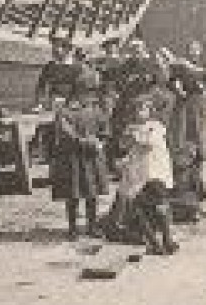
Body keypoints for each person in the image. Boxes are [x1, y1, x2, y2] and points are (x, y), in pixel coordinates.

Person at [49, 66, 109, 239]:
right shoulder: (65, 110)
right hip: (72, 157)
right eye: (84, 92)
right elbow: (65, 130)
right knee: (73, 194)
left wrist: (100, 142)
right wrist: (83, 141)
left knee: (92, 192)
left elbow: (104, 129)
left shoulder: (96, 109)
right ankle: (73, 227)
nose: (89, 96)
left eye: (91, 92)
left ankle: (91, 226)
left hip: (92, 157)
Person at [115, 93, 177, 255]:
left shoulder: (156, 126)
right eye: (136, 109)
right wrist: (126, 152)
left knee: (160, 205)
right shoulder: (130, 128)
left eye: (143, 109)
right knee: (137, 208)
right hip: (136, 172)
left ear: (150, 111)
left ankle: (167, 239)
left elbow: (148, 143)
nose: (138, 112)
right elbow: (123, 145)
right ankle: (153, 242)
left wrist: (133, 138)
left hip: (154, 171)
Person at [167, 48, 206, 222]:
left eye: (197, 50)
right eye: (192, 50)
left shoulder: (199, 70)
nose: (196, 53)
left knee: (198, 162)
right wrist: (181, 92)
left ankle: (196, 206)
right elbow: (171, 81)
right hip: (190, 118)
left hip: (200, 117)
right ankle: (187, 209)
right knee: (187, 161)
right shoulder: (184, 70)